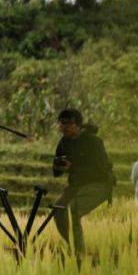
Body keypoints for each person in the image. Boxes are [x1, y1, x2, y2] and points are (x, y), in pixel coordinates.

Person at [51, 108, 114, 253]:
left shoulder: (94, 141)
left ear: (78, 125)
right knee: (58, 208)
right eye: (61, 123)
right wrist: (59, 168)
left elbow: (101, 171)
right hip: (77, 184)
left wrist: (73, 168)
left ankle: (79, 252)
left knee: (74, 208)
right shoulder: (63, 143)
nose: (64, 127)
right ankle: (70, 244)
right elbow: (57, 171)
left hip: (99, 184)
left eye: (68, 123)